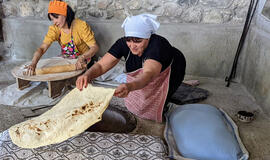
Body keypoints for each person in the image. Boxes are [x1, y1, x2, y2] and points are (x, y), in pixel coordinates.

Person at [76, 14, 186, 122]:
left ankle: (166, 106)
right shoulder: (122, 43)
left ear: (148, 38)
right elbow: (101, 65)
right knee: (138, 101)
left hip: (173, 68)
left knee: (157, 102)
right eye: (129, 40)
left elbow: (148, 74)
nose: (132, 45)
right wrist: (87, 75)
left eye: (138, 41)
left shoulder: (157, 47)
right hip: (146, 74)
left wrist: (130, 86)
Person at [26, 0, 99, 75]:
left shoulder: (80, 26)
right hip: (67, 59)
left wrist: (83, 57)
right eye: (52, 19)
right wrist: (33, 63)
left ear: (65, 14)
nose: (54, 22)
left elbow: (95, 47)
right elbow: (42, 48)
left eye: (56, 18)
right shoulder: (55, 29)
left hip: (83, 60)